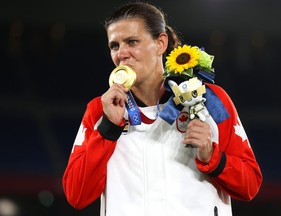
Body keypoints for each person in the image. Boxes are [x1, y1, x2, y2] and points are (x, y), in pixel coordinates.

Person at [62, 2, 262, 216]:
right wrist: (108, 129)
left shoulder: (209, 100)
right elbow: (77, 195)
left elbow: (250, 185)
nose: (122, 54)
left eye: (132, 42)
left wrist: (211, 155)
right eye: (114, 46)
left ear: (161, 43)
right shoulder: (100, 110)